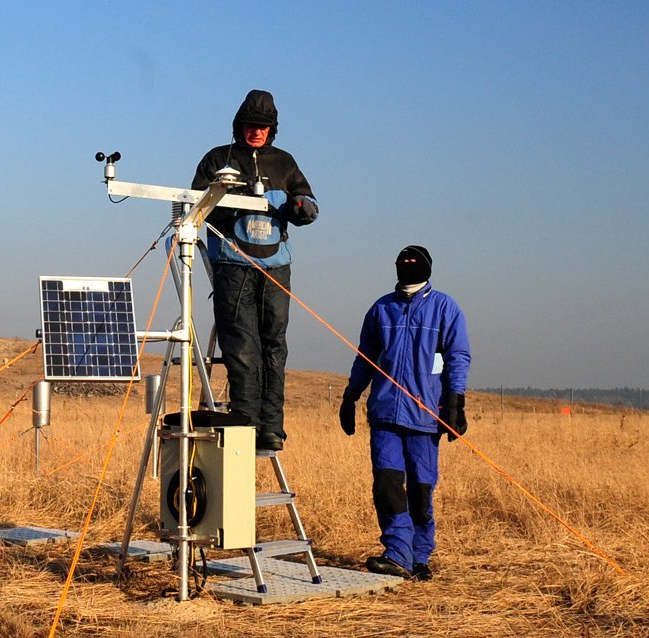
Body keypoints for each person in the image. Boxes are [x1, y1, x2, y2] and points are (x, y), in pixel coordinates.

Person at [192, 89, 318, 451]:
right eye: (250, 125)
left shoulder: (285, 162)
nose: (256, 132)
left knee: (274, 345)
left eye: (263, 127)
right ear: (239, 125)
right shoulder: (218, 158)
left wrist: (301, 207)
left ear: (272, 129)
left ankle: (272, 428)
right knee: (242, 346)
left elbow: (308, 201)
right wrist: (229, 196)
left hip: (276, 268)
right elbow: (196, 205)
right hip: (233, 265)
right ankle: (246, 423)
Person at [339, 246, 471, 580]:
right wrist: (350, 395)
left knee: (421, 489)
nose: (407, 266)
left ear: (427, 268)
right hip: (385, 414)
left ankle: (419, 556)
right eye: (403, 262)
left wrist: (455, 403)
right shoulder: (381, 308)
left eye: (414, 262)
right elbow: (364, 357)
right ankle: (397, 552)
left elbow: (458, 356)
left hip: (425, 416)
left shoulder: (445, 308)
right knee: (387, 485)